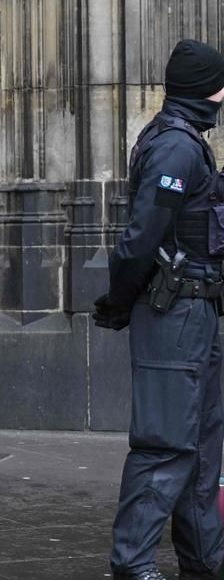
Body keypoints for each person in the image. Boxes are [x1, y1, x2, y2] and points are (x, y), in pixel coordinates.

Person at [93, 38, 224, 580]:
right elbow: (141, 236)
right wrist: (120, 300)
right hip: (175, 312)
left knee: (200, 447)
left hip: (198, 311)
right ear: (206, 89)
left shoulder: (187, 140)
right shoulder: (175, 146)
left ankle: (203, 561)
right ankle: (132, 563)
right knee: (166, 442)